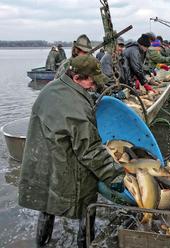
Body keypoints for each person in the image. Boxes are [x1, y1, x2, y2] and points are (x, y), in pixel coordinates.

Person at [18, 55, 124, 248]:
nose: (93, 86)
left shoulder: (51, 88)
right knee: (87, 205)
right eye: (91, 82)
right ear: (76, 78)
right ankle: (84, 243)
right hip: (66, 164)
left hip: (42, 159)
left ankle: (41, 242)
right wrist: (114, 176)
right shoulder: (77, 108)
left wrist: (90, 97)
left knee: (46, 203)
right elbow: (90, 150)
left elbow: (65, 112)